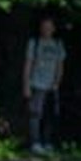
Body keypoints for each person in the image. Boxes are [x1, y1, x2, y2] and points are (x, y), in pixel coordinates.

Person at [22, 15, 67, 153]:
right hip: (36, 83)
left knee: (50, 115)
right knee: (35, 114)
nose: (46, 29)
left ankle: (47, 142)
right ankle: (35, 142)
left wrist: (57, 82)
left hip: (52, 86)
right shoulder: (34, 43)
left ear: (53, 29)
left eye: (49, 27)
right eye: (44, 27)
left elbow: (60, 65)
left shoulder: (58, 44)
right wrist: (26, 84)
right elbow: (28, 64)